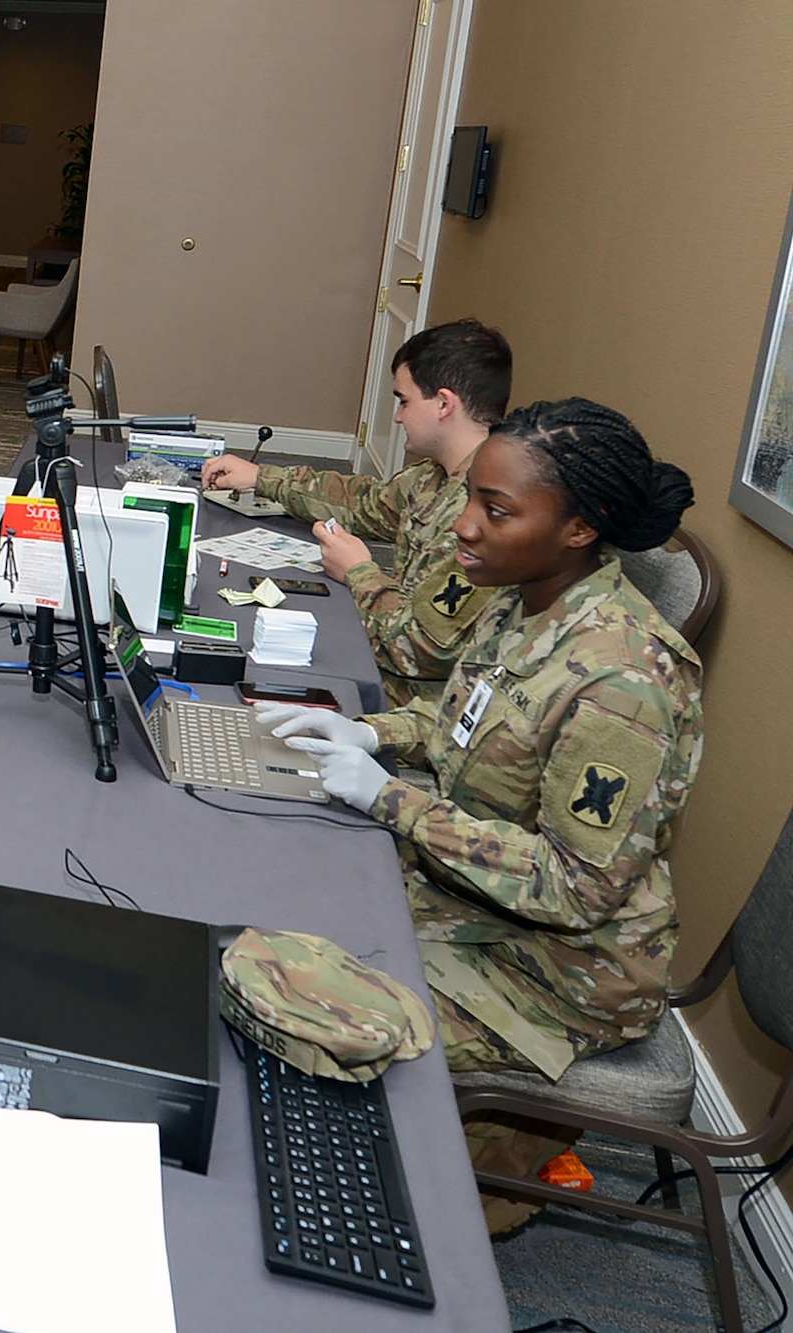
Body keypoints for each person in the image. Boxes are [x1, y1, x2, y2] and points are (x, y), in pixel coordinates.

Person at [258, 398, 702, 1227]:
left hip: (560, 967)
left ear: (579, 528)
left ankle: (361, 1202)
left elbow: (574, 888)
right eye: (472, 499)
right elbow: (466, 722)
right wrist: (368, 729)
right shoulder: (522, 595)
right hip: (476, 893)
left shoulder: (624, 682)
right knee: (273, 889)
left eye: (494, 510)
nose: (465, 527)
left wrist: (392, 799)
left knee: (293, 999)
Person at [201, 319, 515, 706]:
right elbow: (363, 502)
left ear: (445, 404)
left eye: (404, 401)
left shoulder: (486, 510)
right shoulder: (435, 476)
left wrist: (358, 573)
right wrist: (263, 478)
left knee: (246, 666)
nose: (398, 417)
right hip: (384, 644)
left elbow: (422, 650)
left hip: (421, 699)